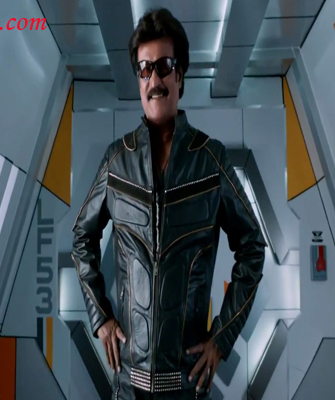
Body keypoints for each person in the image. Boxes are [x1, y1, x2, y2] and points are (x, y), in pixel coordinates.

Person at [71, 8, 267, 399]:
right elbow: (81, 238)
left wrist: (222, 338)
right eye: (144, 69)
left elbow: (252, 246)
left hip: (186, 387)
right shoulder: (116, 160)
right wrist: (101, 316)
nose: (154, 80)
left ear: (180, 76)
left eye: (164, 67)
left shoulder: (210, 160)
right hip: (128, 385)